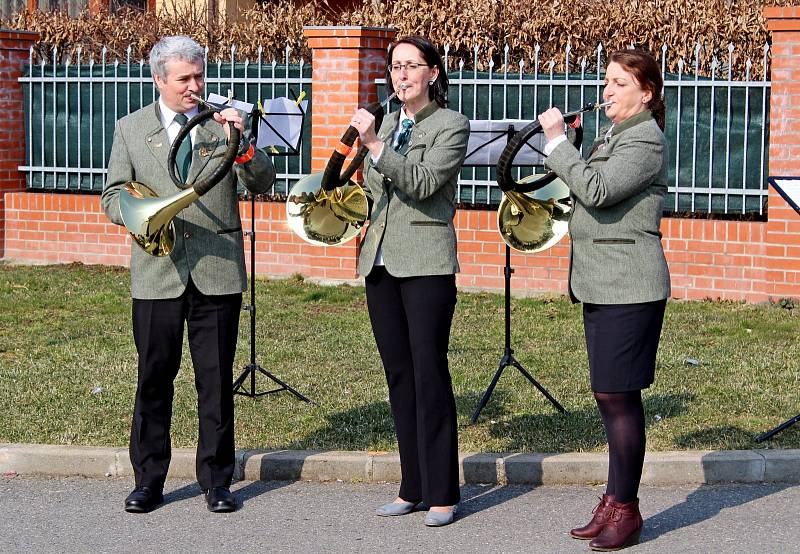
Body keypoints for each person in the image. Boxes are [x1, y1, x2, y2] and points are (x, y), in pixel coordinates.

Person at [101, 35, 276, 514]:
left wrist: (243, 143)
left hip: (217, 270)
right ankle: (148, 481)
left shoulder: (223, 125)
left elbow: (263, 182)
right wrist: (140, 215)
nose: (195, 86)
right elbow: (112, 194)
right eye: (184, 79)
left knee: (215, 381)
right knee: (154, 377)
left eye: (200, 76)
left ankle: (217, 482)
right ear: (159, 80)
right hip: (158, 271)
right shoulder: (131, 128)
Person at [537, 48, 670, 551]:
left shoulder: (646, 140)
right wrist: (567, 146)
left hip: (630, 285)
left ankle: (627, 510)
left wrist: (556, 144)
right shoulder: (614, 134)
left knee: (619, 397)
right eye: (606, 82)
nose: (607, 91)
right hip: (603, 283)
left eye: (619, 83)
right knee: (609, 395)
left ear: (647, 92)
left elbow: (597, 190)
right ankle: (613, 501)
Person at [348, 36, 470, 527]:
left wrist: (376, 146)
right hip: (379, 260)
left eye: (411, 66)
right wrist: (364, 156)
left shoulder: (450, 126)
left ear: (433, 74)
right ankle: (411, 486)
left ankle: (443, 492)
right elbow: (376, 189)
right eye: (395, 67)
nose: (400, 76)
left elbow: (421, 183)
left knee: (429, 374)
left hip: (425, 263)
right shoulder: (392, 124)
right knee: (398, 376)